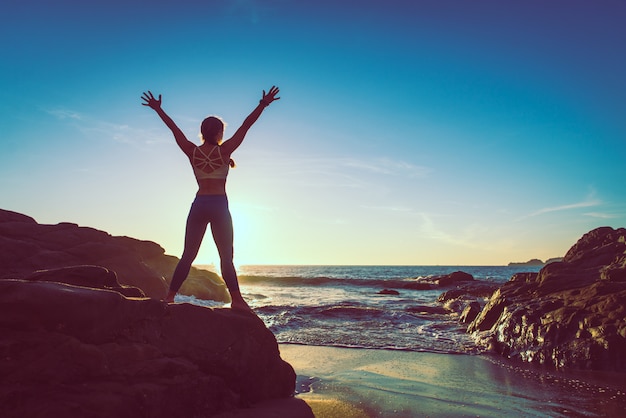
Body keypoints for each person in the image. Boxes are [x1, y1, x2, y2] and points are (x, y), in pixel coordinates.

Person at [141, 86, 280, 310]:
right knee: (226, 256)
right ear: (219, 133)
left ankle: (169, 297)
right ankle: (237, 301)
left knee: (188, 255)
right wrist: (263, 104)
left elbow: (174, 129)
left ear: (202, 132)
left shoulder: (192, 151)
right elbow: (246, 126)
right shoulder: (225, 152)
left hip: (199, 205)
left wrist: (158, 109)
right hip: (218, 205)